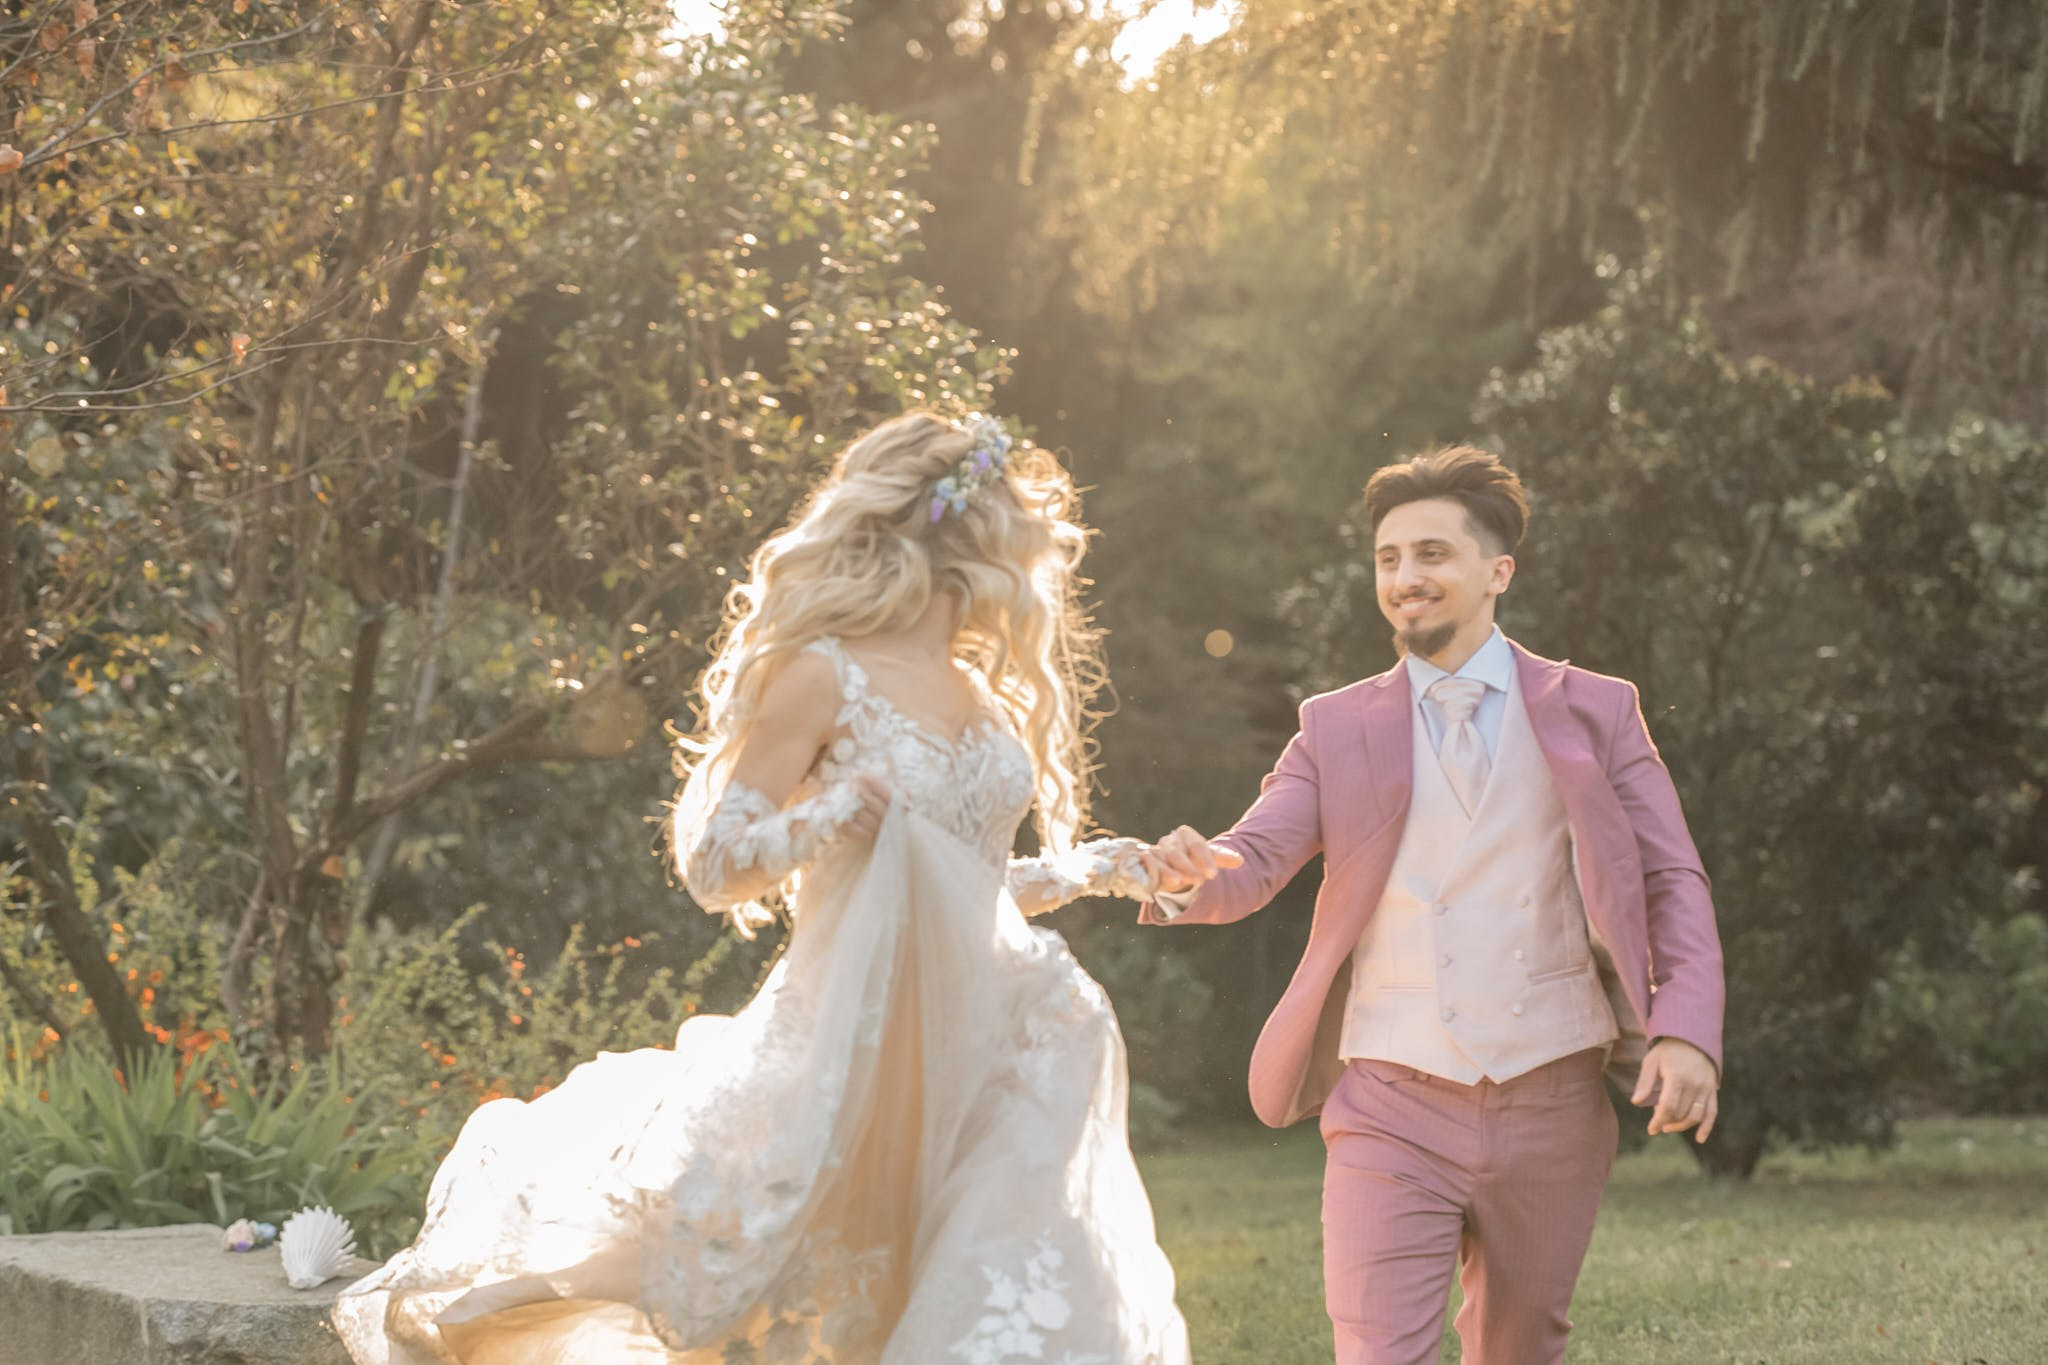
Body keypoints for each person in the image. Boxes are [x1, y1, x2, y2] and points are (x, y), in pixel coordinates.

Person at [334, 412, 1190, 1364]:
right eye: (1016, 515)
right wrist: (820, 821)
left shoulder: (981, 697)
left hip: (978, 1045)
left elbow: (967, 890)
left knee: (993, 1279)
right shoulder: (823, 674)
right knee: (754, 1292)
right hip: (847, 1046)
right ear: (962, 531)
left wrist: (1099, 867)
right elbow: (711, 865)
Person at [1144, 445, 1724, 1365]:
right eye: (1388, 559)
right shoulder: (1335, 726)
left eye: (1431, 554)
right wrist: (1190, 870)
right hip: (1389, 1095)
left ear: (1498, 571)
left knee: (1521, 1346)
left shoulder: (1598, 710)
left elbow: (1671, 879)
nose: (1406, 577)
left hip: (1552, 1092)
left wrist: (1687, 1029)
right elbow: (1249, 856)